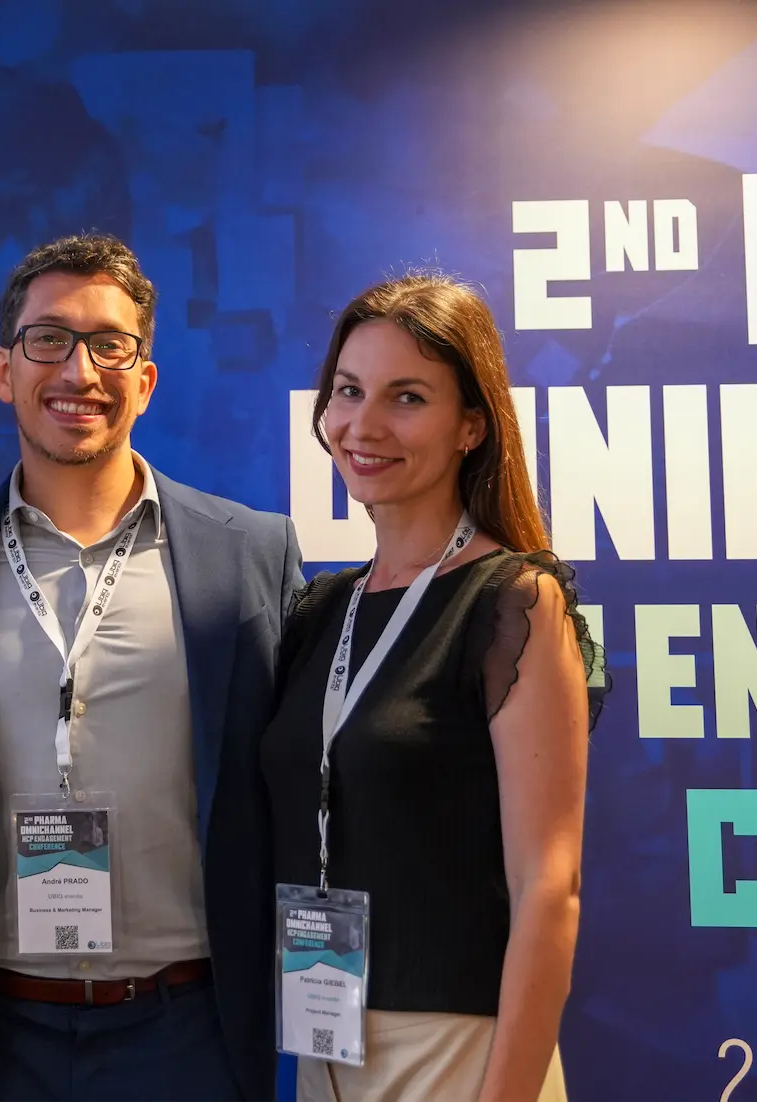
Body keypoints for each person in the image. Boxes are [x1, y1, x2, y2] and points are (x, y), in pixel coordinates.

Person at [0, 233, 303, 1101]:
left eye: (110, 345)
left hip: (189, 1033)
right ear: (4, 372)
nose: (79, 371)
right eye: (49, 340)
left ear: (144, 381)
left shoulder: (250, 557)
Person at [261, 274, 605, 1102]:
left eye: (407, 397)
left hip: (461, 1056)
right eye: (349, 391)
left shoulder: (514, 603)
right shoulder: (322, 610)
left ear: (471, 426)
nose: (364, 425)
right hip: (325, 1041)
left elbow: (549, 890)